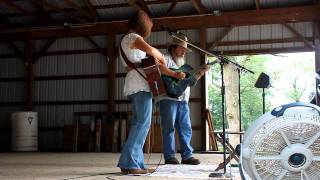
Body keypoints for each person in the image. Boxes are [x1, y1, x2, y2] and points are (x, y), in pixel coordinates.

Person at [117, 10, 185, 174]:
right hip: (139, 84)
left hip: (140, 83)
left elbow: (155, 64)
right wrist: (160, 55)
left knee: (142, 123)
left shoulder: (132, 41)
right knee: (142, 123)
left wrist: (174, 74)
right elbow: (153, 53)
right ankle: (130, 163)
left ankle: (136, 163)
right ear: (142, 24)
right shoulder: (132, 38)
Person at [159, 34, 210, 165]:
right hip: (167, 98)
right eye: (182, 49)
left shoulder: (184, 65)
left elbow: (190, 81)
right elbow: (159, 71)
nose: (184, 52)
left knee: (185, 128)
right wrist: (175, 74)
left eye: (185, 50)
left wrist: (201, 72)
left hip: (183, 100)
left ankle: (187, 156)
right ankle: (169, 156)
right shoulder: (165, 59)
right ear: (173, 48)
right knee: (168, 128)